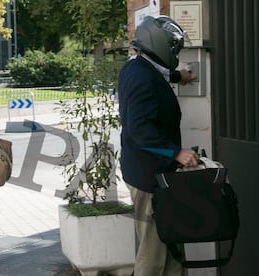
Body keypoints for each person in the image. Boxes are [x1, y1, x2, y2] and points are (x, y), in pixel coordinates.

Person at [117, 16, 199, 276]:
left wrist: (178, 76)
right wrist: (175, 153)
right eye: (174, 47)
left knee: (171, 247)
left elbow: (158, 76)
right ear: (161, 45)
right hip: (148, 177)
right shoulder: (142, 76)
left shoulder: (139, 68)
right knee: (153, 255)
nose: (175, 52)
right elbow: (140, 131)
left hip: (152, 173)